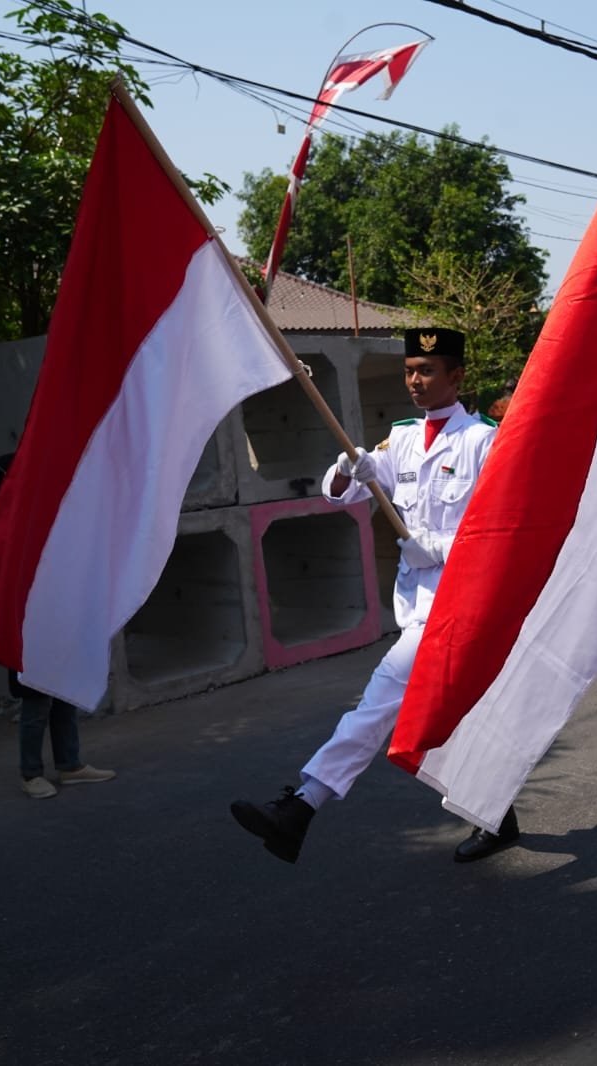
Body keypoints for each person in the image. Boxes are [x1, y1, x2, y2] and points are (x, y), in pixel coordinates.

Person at [230, 328, 515, 864]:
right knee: (460, 712)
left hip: (458, 602)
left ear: (456, 377)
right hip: (414, 606)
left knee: (379, 699)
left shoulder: (483, 442)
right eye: (409, 369)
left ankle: (302, 806)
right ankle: (498, 815)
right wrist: (346, 469)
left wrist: (437, 546)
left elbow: (498, 529)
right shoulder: (402, 437)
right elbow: (341, 496)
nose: (415, 380)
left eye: (427, 370)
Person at [0, 452, 117, 799]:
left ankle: (70, 765)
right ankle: (30, 773)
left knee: (64, 690)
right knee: (37, 694)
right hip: (27, 606)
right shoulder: (6, 480)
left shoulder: (60, 484)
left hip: (61, 600)